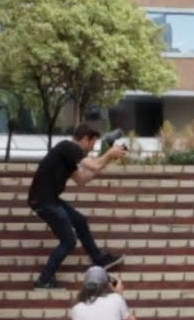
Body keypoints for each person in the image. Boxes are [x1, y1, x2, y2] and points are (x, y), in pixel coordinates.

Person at [28, 123, 127, 289]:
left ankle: (99, 259)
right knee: (69, 241)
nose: (92, 148)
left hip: (49, 199)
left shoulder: (68, 154)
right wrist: (109, 154)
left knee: (80, 220)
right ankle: (44, 280)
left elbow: (82, 179)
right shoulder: (69, 147)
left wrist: (108, 159)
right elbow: (94, 165)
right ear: (85, 139)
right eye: (93, 144)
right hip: (43, 200)